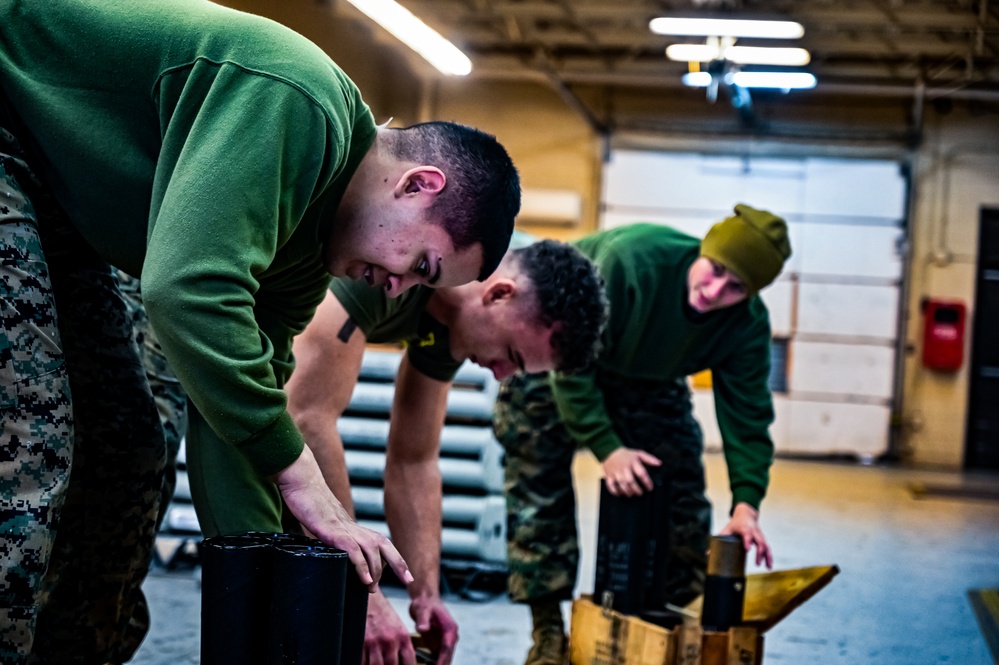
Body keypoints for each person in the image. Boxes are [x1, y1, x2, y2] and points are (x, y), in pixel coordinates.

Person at [0, 0, 520, 662]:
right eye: (421, 265)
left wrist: (280, 586)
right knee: (31, 438)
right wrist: (300, 475)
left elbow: (233, 419)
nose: (398, 289)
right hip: (10, 124)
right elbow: (185, 291)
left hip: (55, 193)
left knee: (131, 445)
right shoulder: (297, 105)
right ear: (418, 184)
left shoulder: (307, 253)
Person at [275, 237, 605, 665]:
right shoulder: (391, 259)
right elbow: (305, 416)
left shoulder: (452, 324)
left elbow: (414, 459)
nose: (503, 376)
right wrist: (365, 598)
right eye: (511, 355)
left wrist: (425, 593)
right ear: (500, 293)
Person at [493, 205, 791, 665]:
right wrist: (608, 449)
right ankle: (548, 632)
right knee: (538, 489)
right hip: (551, 352)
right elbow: (569, 367)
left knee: (682, 496)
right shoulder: (630, 261)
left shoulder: (746, 326)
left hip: (648, 375)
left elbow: (748, 415)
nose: (714, 291)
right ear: (704, 249)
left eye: (736, 288)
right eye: (714, 270)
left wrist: (746, 505)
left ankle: (671, 625)